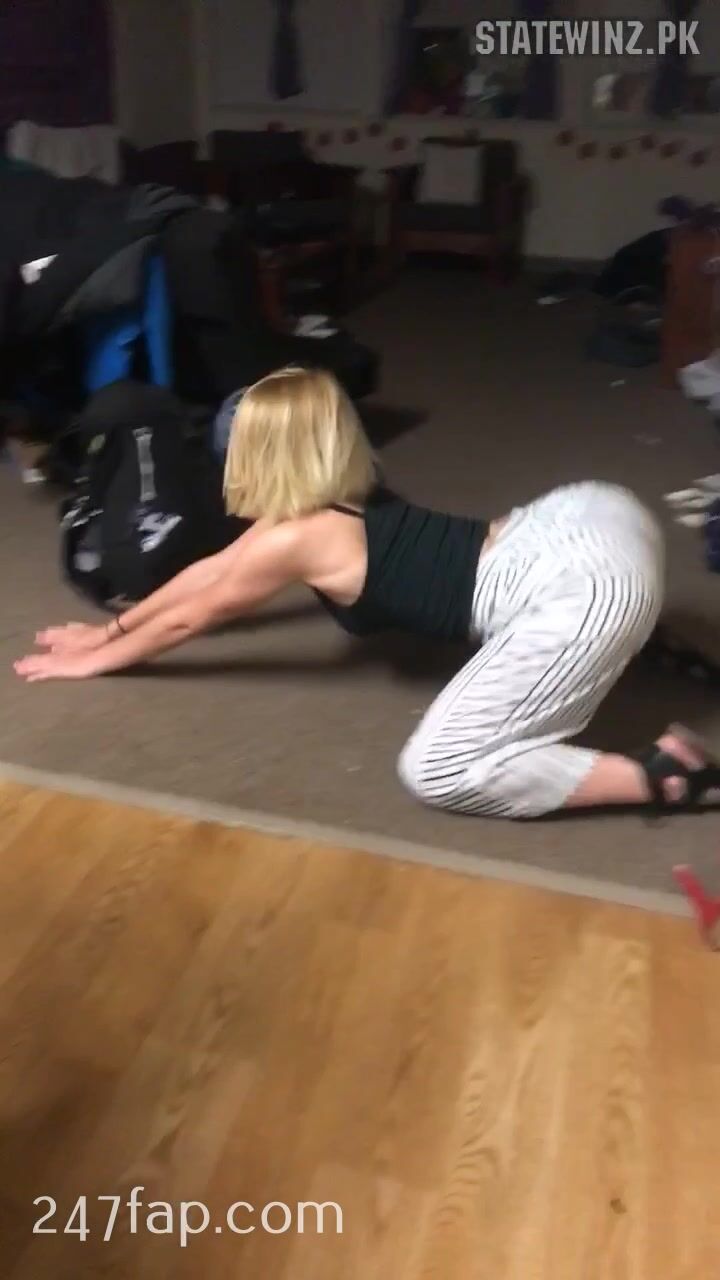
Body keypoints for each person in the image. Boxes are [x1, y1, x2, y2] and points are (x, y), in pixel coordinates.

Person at [14, 366, 720, 818]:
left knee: (437, 769)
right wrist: (107, 631)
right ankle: (630, 634)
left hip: (587, 583)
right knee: (545, 600)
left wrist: (95, 661)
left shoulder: (298, 535)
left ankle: (660, 776)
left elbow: (194, 614)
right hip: (591, 511)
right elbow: (209, 576)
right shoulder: (339, 494)